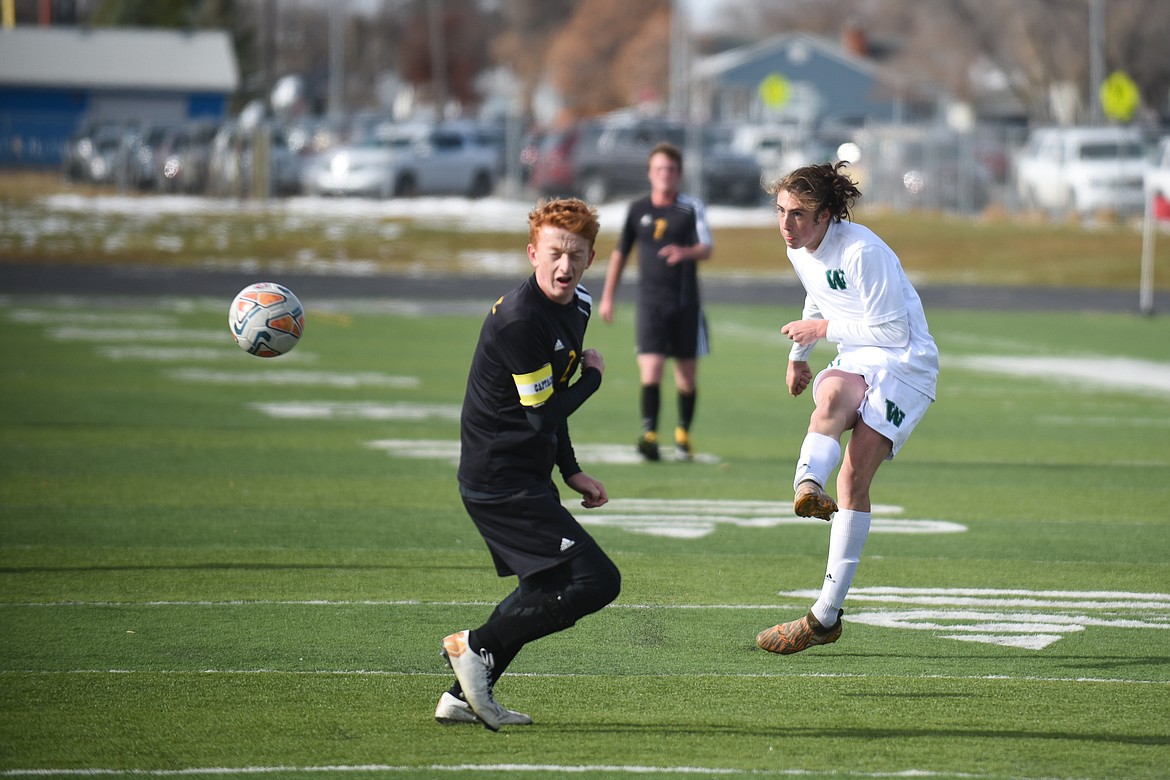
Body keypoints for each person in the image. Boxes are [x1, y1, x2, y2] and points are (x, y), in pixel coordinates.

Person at [437, 197, 622, 730]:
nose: (565, 267)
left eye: (577, 255)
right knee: (595, 580)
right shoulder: (520, 320)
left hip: (525, 474)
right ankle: (475, 647)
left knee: (544, 586)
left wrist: (571, 470)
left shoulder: (579, 305)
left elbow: (550, 401)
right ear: (532, 253)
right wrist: (594, 379)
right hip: (498, 479)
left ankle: (459, 697)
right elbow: (543, 415)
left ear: (590, 258)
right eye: (555, 254)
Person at [755, 162, 938, 655]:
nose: (786, 225)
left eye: (798, 214)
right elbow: (818, 299)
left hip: (905, 365)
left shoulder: (862, 251)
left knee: (854, 478)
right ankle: (805, 486)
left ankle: (825, 616)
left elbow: (894, 333)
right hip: (859, 353)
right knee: (831, 397)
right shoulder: (800, 248)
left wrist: (819, 334)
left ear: (828, 215)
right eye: (781, 211)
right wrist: (799, 358)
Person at [599, 141, 713, 462]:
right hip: (650, 305)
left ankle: (682, 434)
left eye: (672, 169)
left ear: (679, 174)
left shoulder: (690, 208)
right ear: (650, 173)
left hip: (685, 305)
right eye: (660, 169)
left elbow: (706, 247)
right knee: (651, 370)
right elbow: (621, 253)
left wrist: (684, 252)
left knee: (686, 376)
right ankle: (649, 434)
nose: (666, 174)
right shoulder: (637, 210)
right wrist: (608, 297)